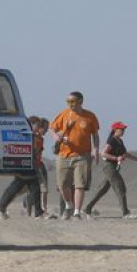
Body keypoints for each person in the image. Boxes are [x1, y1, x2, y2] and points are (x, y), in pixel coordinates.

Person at [50, 91, 100, 220]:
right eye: (68, 102)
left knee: (80, 184)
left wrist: (95, 149)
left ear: (81, 101)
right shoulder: (64, 114)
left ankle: (77, 212)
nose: (70, 104)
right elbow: (53, 128)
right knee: (62, 183)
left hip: (82, 155)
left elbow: (95, 134)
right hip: (64, 154)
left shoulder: (90, 116)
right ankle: (68, 205)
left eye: (73, 101)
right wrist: (57, 138)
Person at [84, 121, 137, 218]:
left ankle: (87, 208)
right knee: (120, 187)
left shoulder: (119, 141)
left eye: (124, 129)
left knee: (102, 189)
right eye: (121, 129)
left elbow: (125, 154)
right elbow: (104, 153)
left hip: (114, 167)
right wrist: (116, 158)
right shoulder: (112, 140)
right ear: (115, 130)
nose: (123, 131)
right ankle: (125, 213)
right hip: (109, 167)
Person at [0, 116, 45, 220]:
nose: (39, 128)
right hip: (24, 164)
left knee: (22, 186)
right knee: (23, 186)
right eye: (37, 126)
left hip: (26, 164)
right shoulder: (27, 135)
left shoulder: (31, 135)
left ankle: (1, 208)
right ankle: (38, 212)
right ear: (32, 125)